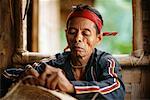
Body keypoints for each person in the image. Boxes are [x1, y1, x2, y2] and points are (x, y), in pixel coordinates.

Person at [1, 4, 125, 99]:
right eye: (72, 32)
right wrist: (25, 75)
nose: (78, 39)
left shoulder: (106, 61)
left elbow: (115, 89)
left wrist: (71, 87)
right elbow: (6, 75)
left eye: (86, 33)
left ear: (98, 38)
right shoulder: (56, 62)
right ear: (66, 34)